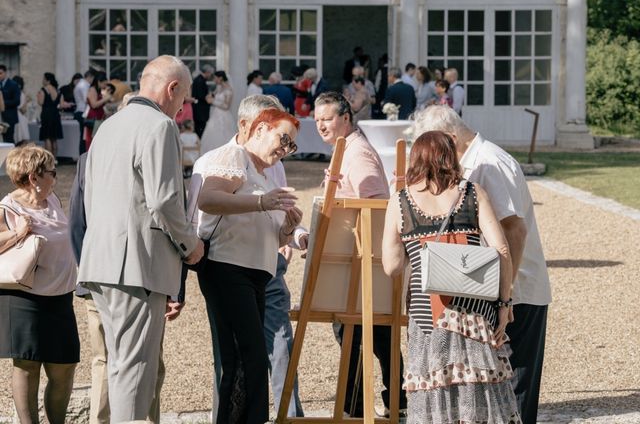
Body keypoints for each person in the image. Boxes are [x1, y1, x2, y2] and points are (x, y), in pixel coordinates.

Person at [78, 55, 204, 423]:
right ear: (173, 88)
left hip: (101, 260)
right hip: (136, 265)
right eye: (185, 99)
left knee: (119, 365)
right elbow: (164, 199)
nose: (183, 108)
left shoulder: (108, 126)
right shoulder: (160, 126)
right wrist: (190, 245)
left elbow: (89, 197)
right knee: (135, 370)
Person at [413, 105, 551, 424]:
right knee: (495, 387)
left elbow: (514, 230)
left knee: (514, 389)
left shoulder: (490, 162)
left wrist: (506, 292)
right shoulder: (472, 162)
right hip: (493, 286)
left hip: (517, 289)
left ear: (449, 138)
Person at [381, 130, 521, 424]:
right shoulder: (473, 192)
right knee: (478, 387)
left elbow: (392, 267)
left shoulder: (400, 201)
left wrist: (416, 248)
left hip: (426, 312)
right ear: (450, 157)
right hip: (475, 310)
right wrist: (505, 303)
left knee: (433, 388)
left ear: (415, 160)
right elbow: (503, 250)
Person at [189, 94, 307, 419]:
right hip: (228, 268)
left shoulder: (266, 173)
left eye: (291, 146)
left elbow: (269, 230)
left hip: (253, 273)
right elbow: (208, 198)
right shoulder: (233, 155)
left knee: (247, 359)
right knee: (247, 357)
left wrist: (289, 229)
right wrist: (261, 203)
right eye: (283, 139)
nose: (285, 149)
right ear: (257, 129)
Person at [313, 91, 407, 417]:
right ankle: (393, 402)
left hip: (363, 260)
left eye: (327, 119)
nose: (321, 126)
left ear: (346, 118)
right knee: (374, 333)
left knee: (358, 330)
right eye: (317, 120)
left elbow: (378, 209)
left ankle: (360, 407)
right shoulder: (346, 149)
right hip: (355, 259)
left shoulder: (358, 155)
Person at [0, 146, 79, 424]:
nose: (56, 178)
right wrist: (17, 233)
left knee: (64, 366)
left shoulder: (53, 199)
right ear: (34, 177)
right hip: (24, 298)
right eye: (52, 172)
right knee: (27, 366)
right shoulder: (8, 206)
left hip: (60, 298)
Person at [200, 70, 236, 154]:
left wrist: (213, 101)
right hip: (215, 114)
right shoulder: (219, 87)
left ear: (220, 78)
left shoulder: (229, 90)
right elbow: (213, 94)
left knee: (223, 134)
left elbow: (226, 106)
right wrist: (209, 97)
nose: (214, 80)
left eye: (215, 78)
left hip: (223, 115)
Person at [37, 73, 64, 159]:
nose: (42, 81)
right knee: (54, 138)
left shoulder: (43, 90)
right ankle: (55, 158)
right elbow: (61, 104)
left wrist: (38, 97)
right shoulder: (58, 91)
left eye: (43, 79)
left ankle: (49, 158)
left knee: (47, 137)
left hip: (46, 114)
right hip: (56, 114)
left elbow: (41, 102)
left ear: (47, 80)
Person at [84, 71, 111, 150]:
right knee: (93, 140)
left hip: (99, 117)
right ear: (99, 82)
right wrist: (105, 98)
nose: (105, 86)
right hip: (94, 117)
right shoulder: (92, 89)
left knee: (98, 139)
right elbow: (94, 104)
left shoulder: (98, 90)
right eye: (104, 84)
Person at [73, 69, 95, 154]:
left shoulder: (81, 84)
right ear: (90, 77)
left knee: (84, 135)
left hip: (80, 110)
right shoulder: (84, 85)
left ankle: (83, 153)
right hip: (82, 111)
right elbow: (87, 99)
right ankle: (83, 153)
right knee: (84, 135)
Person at [0, 64, 22, 143]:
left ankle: (11, 155)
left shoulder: (13, 85)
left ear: (5, 73)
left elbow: (17, 101)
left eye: (0, 73)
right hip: (1, 116)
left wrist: (2, 103)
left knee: (9, 138)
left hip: (9, 116)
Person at [192, 64, 214, 138]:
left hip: (199, 110)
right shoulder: (200, 81)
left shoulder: (199, 79)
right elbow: (201, 96)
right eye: (210, 73)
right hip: (200, 111)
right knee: (200, 130)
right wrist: (210, 97)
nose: (210, 75)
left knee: (200, 129)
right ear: (207, 72)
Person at [12, 76, 31, 143]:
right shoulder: (21, 94)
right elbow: (23, 110)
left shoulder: (12, 93)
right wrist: (26, 101)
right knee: (23, 139)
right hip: (21, 117)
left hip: (13, 115)